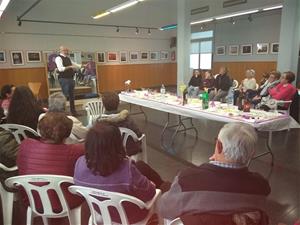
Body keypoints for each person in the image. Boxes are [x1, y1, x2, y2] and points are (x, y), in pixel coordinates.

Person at [158, 123, 271, 223]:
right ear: (252, 153)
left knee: (159, 183)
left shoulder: (188, 180)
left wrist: (208, 166)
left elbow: (165, 210)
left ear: (219, 146)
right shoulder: (261, 186)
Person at [74, 122, 168, 224]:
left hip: (101, 212)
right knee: (150, 175)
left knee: (141, 167)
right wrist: (152, 185)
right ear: (117, 144)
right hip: (132, 216)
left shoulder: (80, 164)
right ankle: (167, 188)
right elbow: (150, 193)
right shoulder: (127, 170)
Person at [17, 112, 84, 210]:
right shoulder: (77, 150)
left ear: (40, 129)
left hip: (32, 200)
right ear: (68, 132)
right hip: (66, 202)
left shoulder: (25, 144)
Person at [99, 92, 143, 156]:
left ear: (103, 105)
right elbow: (138, 134)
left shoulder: (99, 121)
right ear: (119, 103)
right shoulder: (127, 119)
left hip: (107, 152)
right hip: (128, 150)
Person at [55, 46, 81, 116]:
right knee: (65, 96)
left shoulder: (68, 58)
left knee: (72, 96)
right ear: (61, 50)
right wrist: (70, 67)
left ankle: (73, 112)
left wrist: (82, 66)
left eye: (67, 50)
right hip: (64, 79)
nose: (67, 52)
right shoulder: (58, 58)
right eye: (65, 50)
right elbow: (60, 69)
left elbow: (77, 65)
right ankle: (63, 113)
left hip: (71, 79)